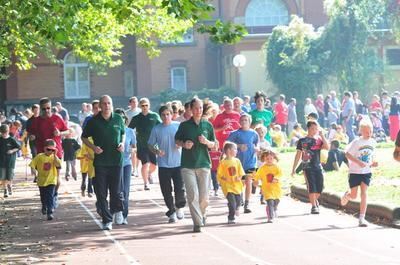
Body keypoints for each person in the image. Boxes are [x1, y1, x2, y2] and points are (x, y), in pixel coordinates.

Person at [81, 95, 125, 231]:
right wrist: (94, 148)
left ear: (112, 104)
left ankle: (115, 210)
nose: (107, 106)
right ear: (100, 106)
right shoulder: (93, 121)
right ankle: (107, 220)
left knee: (116, 192)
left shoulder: (118, 118)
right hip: (100, 162)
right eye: (104, 104)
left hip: (116, 161)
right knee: (101, 192)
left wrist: (122, 144)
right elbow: (83, 137)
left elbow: (123, 133)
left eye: (109, 103)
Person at [175, 97, 216, 233]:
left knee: (204, 196)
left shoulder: (208, 125)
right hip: (187, 165)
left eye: (200, 108)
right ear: (191, 110)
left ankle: (203, 214)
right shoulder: (184, 126)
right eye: (196, 108)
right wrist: (184, 144)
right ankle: (197, 223)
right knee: (193, 195)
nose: (198, 110)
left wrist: (206, 142)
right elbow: (177, 140)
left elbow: (214, 145)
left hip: (204, 164)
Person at [27, 97, 70, 206]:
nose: (46, 111)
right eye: (44, 109)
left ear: (51, 107)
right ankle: (46, 199)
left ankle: (54, 195)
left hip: (56, 152)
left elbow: (68, 131)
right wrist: (31, 137)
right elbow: (30, 134)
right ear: (40, 109)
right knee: (43, 179)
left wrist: (60, 133)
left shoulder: (57, 118)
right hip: (42, 153)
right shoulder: (36, 121)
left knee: (56, 177)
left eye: (48, 108)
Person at [148, 105, 186, 223]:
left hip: (178, 163)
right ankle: (171, 212)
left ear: (171, 114)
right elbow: (150, 144)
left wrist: (181, 144)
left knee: (179, 189)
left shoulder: (178, 126)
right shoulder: (156, 129)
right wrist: (157, 151)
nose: (166, 117)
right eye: (163, 115)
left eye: (168, 114)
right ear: (160, 116)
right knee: (166, 190)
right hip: (164, 164)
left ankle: (179, 207)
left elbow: (185, 140)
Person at [340, 120, 378, 227]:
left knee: (364, 193)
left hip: (366, 172)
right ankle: (347, 196)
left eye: (370, 131)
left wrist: (374, 162)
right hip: (355, 172)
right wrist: (358, 162)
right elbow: (347, 154)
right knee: (354, 195)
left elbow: (372, 155)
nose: (369, 133)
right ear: (361, 131)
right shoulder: (357, 142)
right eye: (366, 131)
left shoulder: (373, 142)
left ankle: (362, 218)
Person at [291, 120, 329, 214]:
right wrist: (294, 169)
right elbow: (298, 155)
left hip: (318, 165)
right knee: (311, 186)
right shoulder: (302, 141)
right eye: (312, 128)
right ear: (308, 129)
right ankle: (313, 206)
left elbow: (327, 147)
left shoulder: (319, 140)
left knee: (320, 187)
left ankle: (315, 200)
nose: (315, 130)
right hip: (307, 166)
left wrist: (322, 135)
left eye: (316, 129)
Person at [227, 113, 259, 214]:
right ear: (239, 122)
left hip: (251, 162)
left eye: (246, 120)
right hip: (238, 163)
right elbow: (227, 145)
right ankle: (239, 199)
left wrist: (256, 149)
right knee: (240, 183)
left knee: (248, 180)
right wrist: (239, 146)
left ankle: (247, 203)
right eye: (242, 120)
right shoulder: (235, 133)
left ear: (250, 122)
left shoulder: (254, 133)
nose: (244, 122)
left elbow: (256, 144)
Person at [128, 98, 161, 190]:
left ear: (149, 105)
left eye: (146, 105)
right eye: (143, 105)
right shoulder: (137, 118)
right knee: (145, 164)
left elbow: (161, 126)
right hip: (141, 145)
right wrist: (131, 142)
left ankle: (149, 174)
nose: (145, 107)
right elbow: (129, 130)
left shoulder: (154, 116)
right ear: (140, 106)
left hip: (153, 145)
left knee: (154, 165)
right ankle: (145, 183)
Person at [29, 139, 62, 220]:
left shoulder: (54, 158)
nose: (50, 151)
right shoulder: (39, 156)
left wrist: (55, 155)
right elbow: (32, 164)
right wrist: (33, 170)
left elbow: (59, 165)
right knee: (43, 197)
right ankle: (44, 206)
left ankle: (50, 212)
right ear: (44, 148)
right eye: (48, 149)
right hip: (41, 181)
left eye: (52, 150)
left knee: (50, 196)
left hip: (51, 180)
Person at [114, 108, 136, 225]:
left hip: (126, 163)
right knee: (116, 190)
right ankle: (116, 210)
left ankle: (124, 214)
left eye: (122, 117)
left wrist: (132, 149)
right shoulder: (111, 130)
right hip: (114, 164)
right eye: (118, 117)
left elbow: (134, 146)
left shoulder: (130, 131)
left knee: (125, 190)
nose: (120, 119)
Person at [217, 141, 245, 224]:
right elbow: (219, 174)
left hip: (237, 186)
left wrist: (239, 177)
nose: (236, 151)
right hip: (228, 186)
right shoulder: (223, 162)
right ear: (229, 150)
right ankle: (231, 217)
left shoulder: (237, 161)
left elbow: (241, 172)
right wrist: (224, 178)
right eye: (235, 149)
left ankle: (236, 208)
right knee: (232, 202)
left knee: (238, 202)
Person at [253, 150, 282, 223]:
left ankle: (274, 208)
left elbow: (280, 174)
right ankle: (270, 217)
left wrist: (276, 178)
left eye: (271, 158)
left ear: (274, 158)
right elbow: (257, 175)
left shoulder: (276, 167)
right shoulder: (262, 168)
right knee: (270, 202)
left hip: (276, 188)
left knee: (276, 201)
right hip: (267, 188)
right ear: (264, 159)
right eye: (267, 159)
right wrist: (255, 180)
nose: (269, 160)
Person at [0, 124, 20, 198]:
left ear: (8, 131)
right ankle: (5, 190)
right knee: (2, 176)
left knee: (10, 176)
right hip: (1, 161)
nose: (4, 134)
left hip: (10, 161)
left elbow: (18, 147)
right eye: (2, 133)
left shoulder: (12, 139)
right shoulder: (0, 139)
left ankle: (9, 185)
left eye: (5, 133)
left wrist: (12, 150)